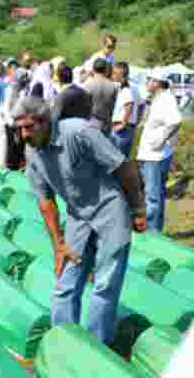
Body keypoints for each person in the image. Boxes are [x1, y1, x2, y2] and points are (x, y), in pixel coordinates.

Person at [14, 96, 146, 351]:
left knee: (105, 285)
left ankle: (96, 350)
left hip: (111, 212)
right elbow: (45, 202)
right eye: (19, 128)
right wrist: (59, 245)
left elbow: (123, 167)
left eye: (28, 127)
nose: (23, 134)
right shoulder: (31, 151)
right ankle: (64, 344)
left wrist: (138, 208)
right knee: (66, 284)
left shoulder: (78, 132)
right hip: (78, 217)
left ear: (44, 122)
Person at [135, 69, 182, 233]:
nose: (147, 82)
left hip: (155, 157)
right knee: (156, 195)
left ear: (158, 82)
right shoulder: (158, 98)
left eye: (149, 79)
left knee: (152, 197)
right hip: (152, 155)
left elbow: (176, 121)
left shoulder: (166, 99)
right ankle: (156, 231)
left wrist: (161, 140)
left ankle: (152, 232)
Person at [110, 61, 138, 157]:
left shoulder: (126, 90)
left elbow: (129, 105)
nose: (112, 75)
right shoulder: (121, 88)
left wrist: (123, 123)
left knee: (118, 157)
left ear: (121, 75)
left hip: (122, 129)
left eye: (114, 73)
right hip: (124, 127)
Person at [82, 57, 117, 135]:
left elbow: (83, 106)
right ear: (105, 70)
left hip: (90, 123)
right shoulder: (113, 86)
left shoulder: (88, 84)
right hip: (105, 123)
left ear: (93, 69)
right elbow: (112, 108)